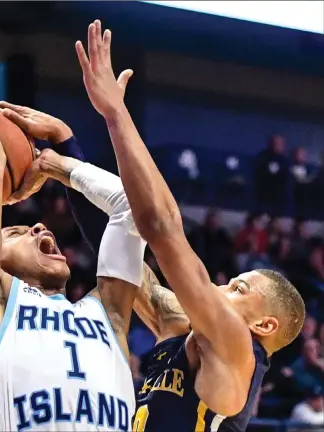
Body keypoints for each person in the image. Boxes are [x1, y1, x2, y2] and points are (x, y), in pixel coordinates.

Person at [75, 20, 306, 431]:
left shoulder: (239, 353)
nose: (220, 285)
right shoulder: (178, 326)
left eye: (238, 289)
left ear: (262, 326)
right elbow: (125, 260)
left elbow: (162, 228)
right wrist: (61, 157)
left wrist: (115, 114)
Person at [0, 107, 150, 431]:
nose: (37, 227)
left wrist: (63, 147)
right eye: (16, 233)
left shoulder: (108, 314)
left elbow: (130, 208)